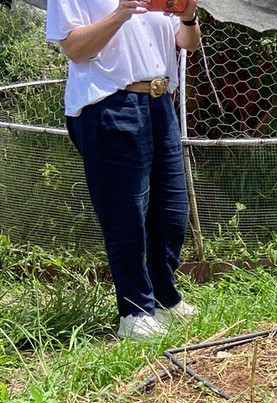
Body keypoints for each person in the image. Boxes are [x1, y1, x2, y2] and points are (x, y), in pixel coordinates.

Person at [46, 0, 201, 340]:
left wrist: (188, 16)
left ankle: (164, 299)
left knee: (172, 212)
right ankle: (134, 312)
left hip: (160, 102)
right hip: (110, 104)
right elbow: (73, 48)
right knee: (125, 215)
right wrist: (121, 12)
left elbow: (188, 43)